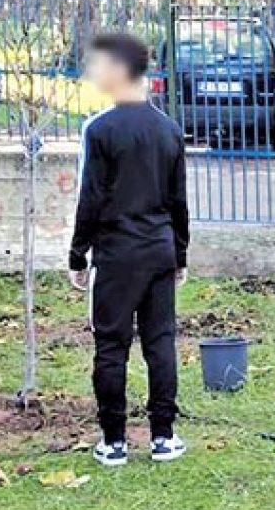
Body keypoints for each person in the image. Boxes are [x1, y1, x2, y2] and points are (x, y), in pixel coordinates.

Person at [69, 32, 191, 468]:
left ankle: (114, 441)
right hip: (158, 251)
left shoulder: (100, 130)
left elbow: (92, 196)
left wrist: (77, 254)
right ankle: (163, 437)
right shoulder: (169, 130)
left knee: (111, 346)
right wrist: (179, 254)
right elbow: (179, 202)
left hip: (117, 256)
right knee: (160, 344)